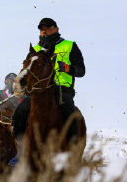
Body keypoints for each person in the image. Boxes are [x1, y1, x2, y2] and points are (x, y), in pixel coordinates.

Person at [9, 18, 85, 166]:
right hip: (38, 91)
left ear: (56, 29)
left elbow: (81, 71)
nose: (44, 31)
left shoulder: (69, 46)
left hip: (62, 90)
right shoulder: (35, 50)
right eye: (41, 29)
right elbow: (26, 70)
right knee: (20, 112)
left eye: (48, 28)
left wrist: (68, 69)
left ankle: (72, 153)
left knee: (69, 113)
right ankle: (22, 151)